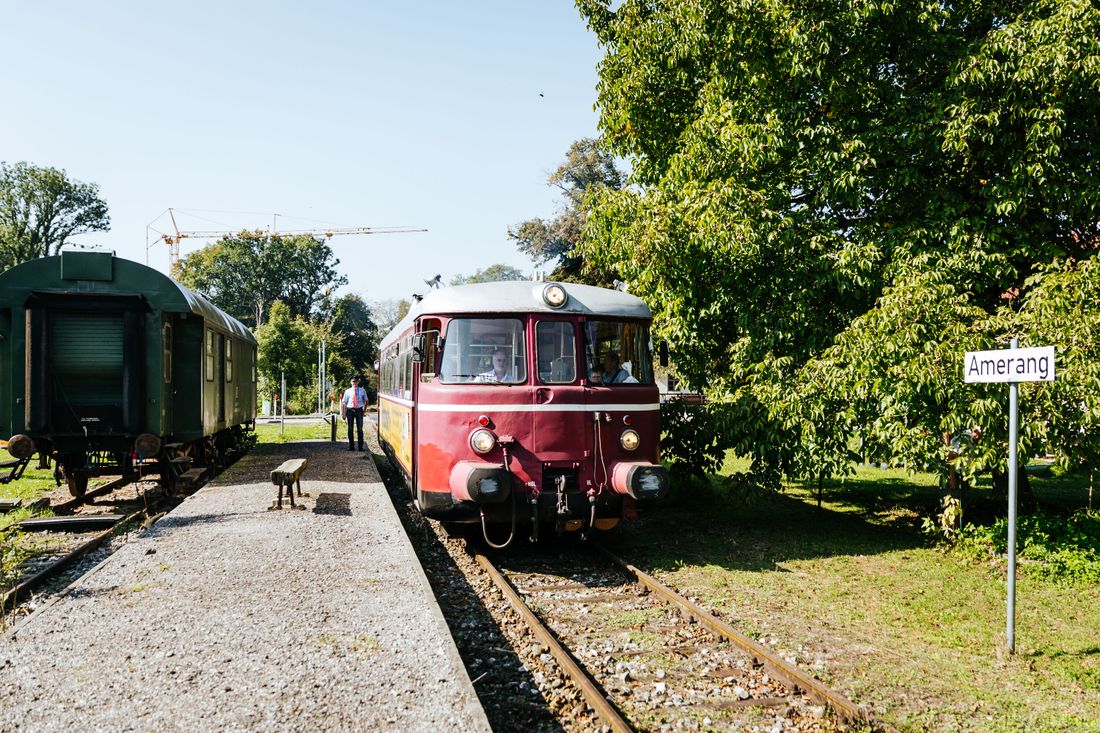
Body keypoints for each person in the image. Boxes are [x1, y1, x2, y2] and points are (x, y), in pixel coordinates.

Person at [341, 376, 368, 451]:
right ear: (351, 382)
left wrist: (364, 411)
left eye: (355, 381)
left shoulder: (362, 391)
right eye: (353, 381)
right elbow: (344, 403)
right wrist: (343, 414)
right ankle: (351, 446)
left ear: (358, 382)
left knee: (359, 429)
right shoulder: (347, 391)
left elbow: (366, 401)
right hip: (350, 410)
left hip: (359, 410)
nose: (354, 383)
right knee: (350, 428)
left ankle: (360, 446)